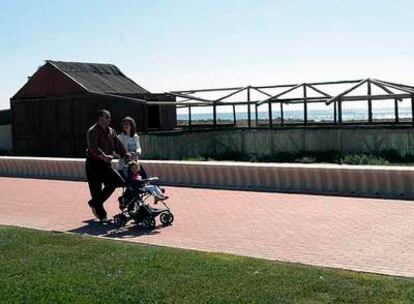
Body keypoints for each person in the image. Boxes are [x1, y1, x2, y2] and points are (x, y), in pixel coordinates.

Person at [85, 109, 129, 223]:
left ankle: (94, 203)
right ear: (100, 118)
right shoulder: (92, 131)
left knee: (117, 181)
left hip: (105, 164)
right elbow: (93, 148)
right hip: (93, 164)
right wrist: (103, 156)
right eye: (107, 117)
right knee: (96, 189)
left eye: (109, 117)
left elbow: (118, 146)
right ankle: (102, 215)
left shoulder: (111, 131)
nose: (109, 119)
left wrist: (125, 155)